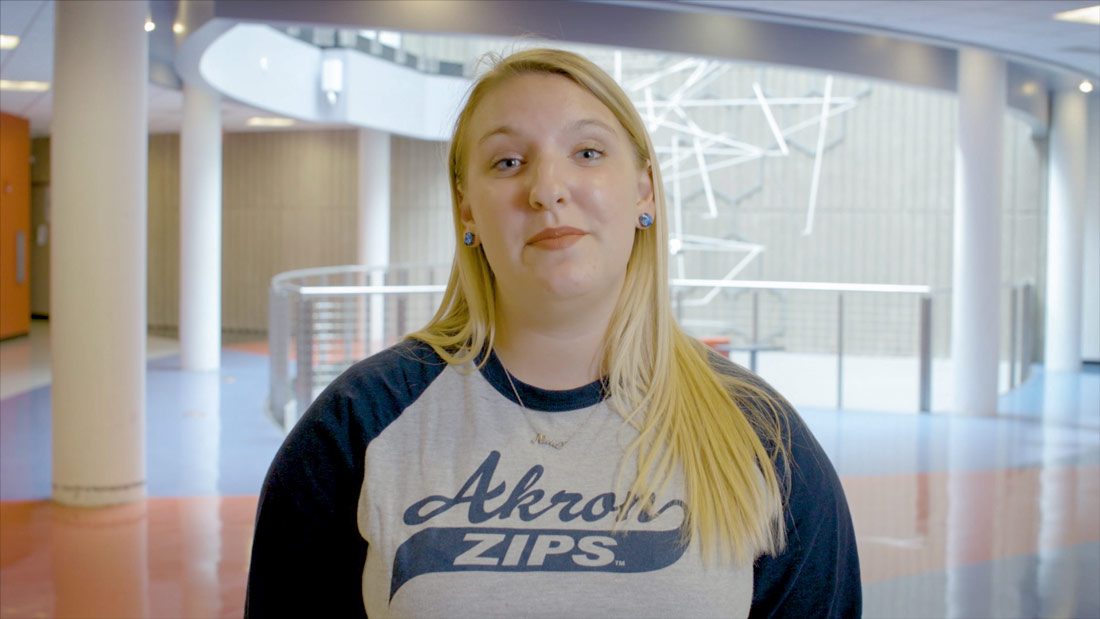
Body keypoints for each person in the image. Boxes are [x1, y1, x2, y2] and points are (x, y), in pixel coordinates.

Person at [245, 48, 860, 618]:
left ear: (644, 190)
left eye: (587, 153)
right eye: (508, 162)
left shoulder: (759, 437)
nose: (546, 191)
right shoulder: (357, 428)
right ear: (467, 210)